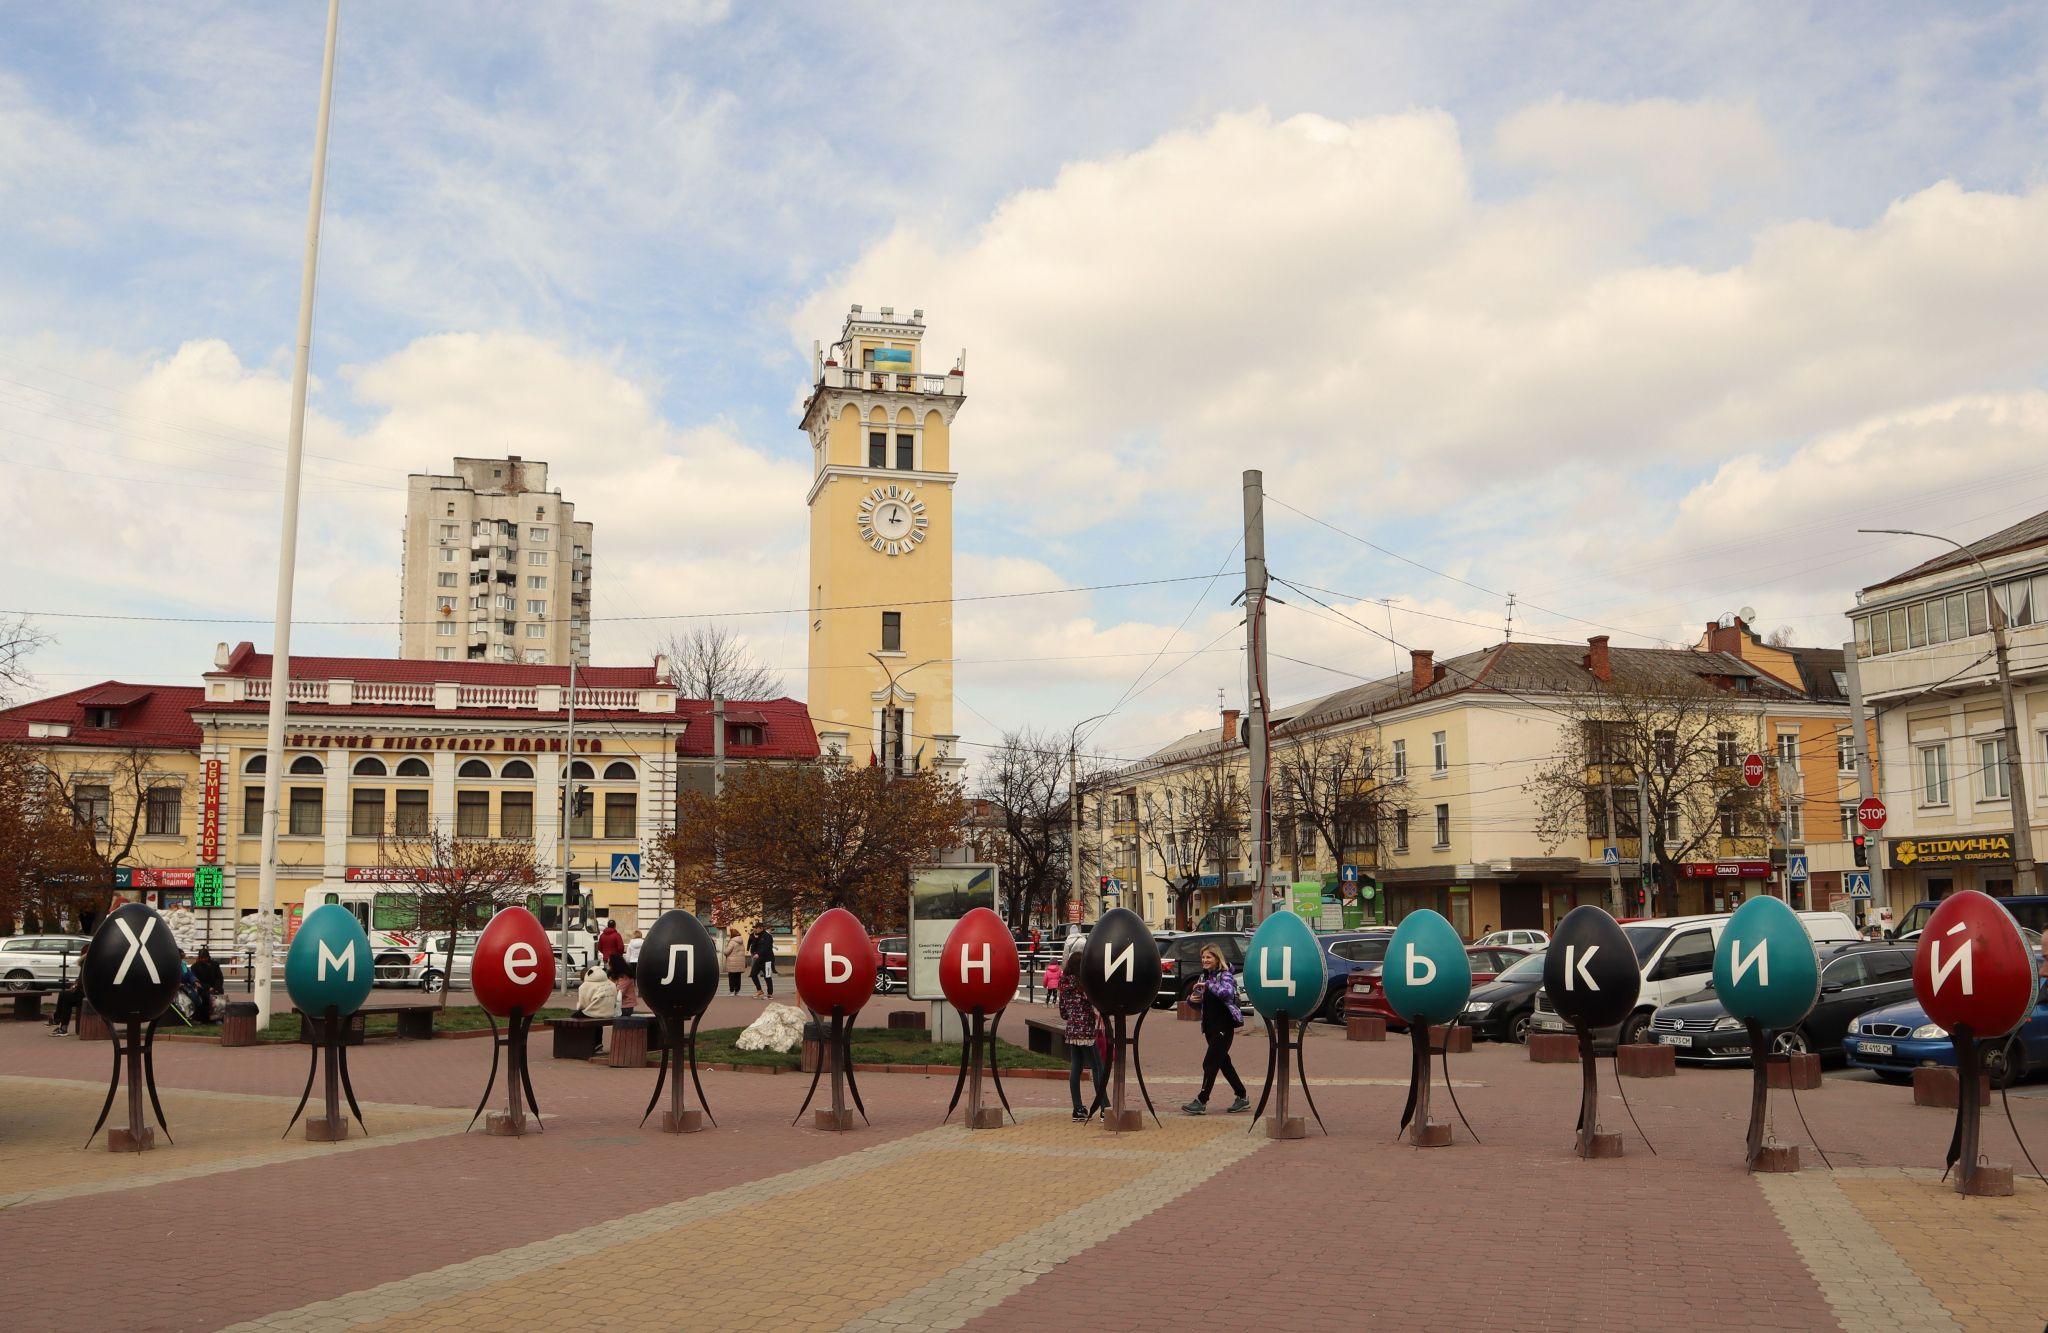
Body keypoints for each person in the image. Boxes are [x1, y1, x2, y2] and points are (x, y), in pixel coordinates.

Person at [1182, 945, 1249, 1115]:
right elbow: (1200, 1003)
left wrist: (1208, 984)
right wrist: (1193, 999)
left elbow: (1226, 993)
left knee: (1210, 1063)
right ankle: (1242, 1096)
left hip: (1224, 1026)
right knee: (1223, 1063)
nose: (1205, 960)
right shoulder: (1204, 976)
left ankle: (1201, 1100)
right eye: (1203, 957)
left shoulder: (1225, 975)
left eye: (1209, 957)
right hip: (1210, 1027)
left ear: (1217, 959)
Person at [1056, 937, 1107, 1121]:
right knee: (1097, 1067)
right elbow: (1095, 1003)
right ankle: (1104, 1107)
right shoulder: (1083, 986)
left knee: (1075, 1068)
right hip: (1086, 1031)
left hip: (1071, 1032)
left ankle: (1077, 1108)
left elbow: (1063, 1012)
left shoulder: (1064, 986)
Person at [189, 946, 225, 1024]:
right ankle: (207, 1019)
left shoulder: (215, 965)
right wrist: (208, 987)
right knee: (207, 997)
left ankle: (218, 1018)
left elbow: (219, 977)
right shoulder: (195, 967)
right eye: (202, 958)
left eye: (205, 957)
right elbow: (197, 980)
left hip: (215, 987)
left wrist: (216, 987)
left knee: (219, 996)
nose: (203, 959)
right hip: (203, 988)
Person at [48, 966, 84, 1037]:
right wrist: (76, 985)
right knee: (63, 994)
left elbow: (85, 981)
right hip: (85, 993)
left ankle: (62, 1027)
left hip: (89, 995)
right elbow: (82, 981)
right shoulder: (87, 964)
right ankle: (57, 1020)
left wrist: (76, 986)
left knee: (67, 998)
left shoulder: (89, 964)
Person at [749, 927, 776, 998]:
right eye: (754, 928)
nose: (755, 930)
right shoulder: (757, 935)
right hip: (759, 960)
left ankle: (770, 993)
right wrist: (753, 952)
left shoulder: (768, 936)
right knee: (753, 974)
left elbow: (766, 947)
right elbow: (754, 945)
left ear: (760, 928)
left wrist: (758, 954)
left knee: (767, 976)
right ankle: (759, 990)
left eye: (756, 928)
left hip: (767, 959)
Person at [723, 926, 748, 996]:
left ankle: (731, 991)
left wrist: (725, 949)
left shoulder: (732, 942)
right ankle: (737, 991)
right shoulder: (741, 941)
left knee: (731, 977)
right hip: (740, 962)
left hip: (732, 962)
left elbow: (726, 952)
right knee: (738, 977)